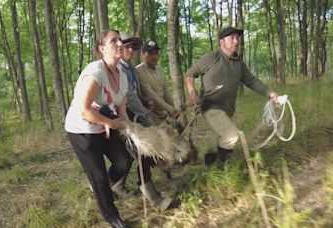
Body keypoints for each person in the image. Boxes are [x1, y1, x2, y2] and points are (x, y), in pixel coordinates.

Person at [65, 29, 132, 228]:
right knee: (99, 177)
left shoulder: (123, 76)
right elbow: (85, 110)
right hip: (82, 130)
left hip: (104, 127)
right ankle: (113, 218)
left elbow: (122, 109)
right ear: (102, 49)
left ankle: (101, 188)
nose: (120, 44)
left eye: (120, 40)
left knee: (124, 161)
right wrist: (112, 124)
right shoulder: (95, 72)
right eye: (114, 41)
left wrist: (131, 131)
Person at [185, 26, 278, 167]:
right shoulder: (212, 57)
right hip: (211, 107)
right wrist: (192, 92)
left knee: (217, 139)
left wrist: (269, 93)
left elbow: (251, 81)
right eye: (232, 38)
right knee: (232, 136)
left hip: (228, 110)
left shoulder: (238, 62)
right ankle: (222, 169)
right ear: (222, 42)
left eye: (237, 38)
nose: (236, 41)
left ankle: (209, 166)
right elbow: (190, 73)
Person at [118, 32, 173, 211]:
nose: (129, 50)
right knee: (139, 153)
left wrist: (145, 102)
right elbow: (130, 98)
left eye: (132, 46)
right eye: (126, 46)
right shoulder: (118, 70)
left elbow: (138, 95)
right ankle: (150, 192)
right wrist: (147, 117)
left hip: (134, 118)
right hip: (122, 120)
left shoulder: (131, 69)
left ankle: (116, 184)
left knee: (128, 157)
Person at [136, 40, 179, 124]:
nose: (155, 56)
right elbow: (149, 93)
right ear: (143, 54)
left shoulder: (159, 70)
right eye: (151, 53)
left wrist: (173, 109)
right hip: (150, 118)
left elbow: (166, 92)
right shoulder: (139, 71)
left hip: (164, 116)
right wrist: (169, 108)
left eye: (156, 53)